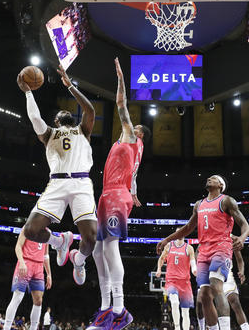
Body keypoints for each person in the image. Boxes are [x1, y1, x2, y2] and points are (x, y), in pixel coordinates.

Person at [18, 64, 97, 285]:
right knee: (31, 231)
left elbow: (90, 110)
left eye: (68, 112)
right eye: (60, 113)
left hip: (81, 183)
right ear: (56, 120)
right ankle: (59, 241)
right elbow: (35, 118)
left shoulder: (83, 130)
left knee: (91, 238)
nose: (65, 112)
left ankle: (78, 260)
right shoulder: (50, 134)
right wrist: (27, 92)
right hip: (57, 184)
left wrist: (70, 85)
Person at [86, 58, 150, 330]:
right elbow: (133, 177)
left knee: (110, 246)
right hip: (110, 196)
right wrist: (133, 193)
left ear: (139, 135)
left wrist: (121, 79)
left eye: (134, 128)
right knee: (99, 250)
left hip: (114, 196)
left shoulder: (132, 139)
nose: (128, 126)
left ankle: (120, 309)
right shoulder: (133, 151)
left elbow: (122, 106)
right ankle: (104, 308)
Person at [156, 176, 249, 330]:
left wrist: (242, 237)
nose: (209, 179)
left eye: (213, 178)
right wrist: (166, 240)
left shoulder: (226, 201)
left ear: (220, 185)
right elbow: (187, 228)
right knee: (204, 296)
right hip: (204, 251)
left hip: (221, 248)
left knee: (216, 285)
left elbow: (245, 225)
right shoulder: (199, 205)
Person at [3, 227, 52, 330]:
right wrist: (21, 262)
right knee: (17, 297)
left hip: (38, 267)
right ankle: (6, 327)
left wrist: (49, 274)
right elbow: (18, 246)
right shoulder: (28, 227)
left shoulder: (48, 232)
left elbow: (46, 255)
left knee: (38, 300)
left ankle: (33, 328)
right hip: (26, 262)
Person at [155, 231, 197, 330]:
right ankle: (177, 327)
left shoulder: (189, 248)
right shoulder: (169, 246)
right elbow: (161, 259)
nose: (180, 234)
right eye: (178, 232)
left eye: (182, 232)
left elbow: (192, 261)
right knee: (174, 303)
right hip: (171, 281)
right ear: (175, 234)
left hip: (185, 283)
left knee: (185, 312)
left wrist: (194, 269)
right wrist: (159, 269)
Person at [222, 249, 249, 330]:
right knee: (219, 306)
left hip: (227, 276)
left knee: (236, 303)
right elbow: (197, 252)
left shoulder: (231, 238)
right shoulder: (206, 237)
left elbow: (240, 260)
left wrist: (241, 271)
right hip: (211, 276)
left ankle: (245, 328)